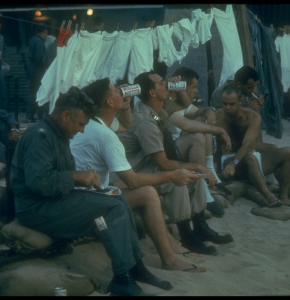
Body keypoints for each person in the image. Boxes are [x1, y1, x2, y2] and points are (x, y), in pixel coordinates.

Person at [9, 86, 171, 296]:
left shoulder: (57, 134)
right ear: (66, 115)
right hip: (36, 209)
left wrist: (85, 181)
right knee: (112, 208)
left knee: (119, 201)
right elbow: (38, 182)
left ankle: (136, 267)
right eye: (80, 124)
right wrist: (76, 176)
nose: (82, 130)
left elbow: (58, 175)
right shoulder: (39, 136)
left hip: (53, 200)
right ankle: (123, 278)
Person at [70, 77, 206, 273]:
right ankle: (169, 258)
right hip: (87, 200)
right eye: (117, 91)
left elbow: (125, 126)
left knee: (139, 189)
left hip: (88, 191)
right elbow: (135, 177)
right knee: (148, 193)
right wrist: (173, 176)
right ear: (109, 102)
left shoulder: (95, 123)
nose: (122, 91)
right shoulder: (107, 135)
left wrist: (124, 107)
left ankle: (172, 244)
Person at [118, 70, 234, 256]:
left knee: (193, 176)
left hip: (148, 166)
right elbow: (164, 164)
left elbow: (184, 104)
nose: (167, 85)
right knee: (178, 179)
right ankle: (186, 234)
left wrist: (178, 88)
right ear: (153, 93)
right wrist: (197, 166)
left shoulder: (157, 111)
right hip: (134, 172)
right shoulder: (145, 120)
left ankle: (199, 226)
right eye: (162, 84)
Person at [214, 82, 290, 207]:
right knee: (250, 157)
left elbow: (248, 143)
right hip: (228, 162)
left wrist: (235, 162)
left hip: (242, 160)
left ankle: (285, 195)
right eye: (225, 104)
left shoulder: (252, 117)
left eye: (231, 104)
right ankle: (269, 197)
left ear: (240, 101)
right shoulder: (217, 116)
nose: (227, 108)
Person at [164, 67, 233, 217]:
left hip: (178, 146)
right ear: (182, 88)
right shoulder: (167, 104)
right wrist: (221, 131)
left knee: (203, 122)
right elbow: (186, 125)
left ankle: (210, 171)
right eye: (193, 87)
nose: (196, 91)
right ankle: (203, 192)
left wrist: (206, 110)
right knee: (198, 136)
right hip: (167, 152)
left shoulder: (180, 102)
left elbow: (195, 111)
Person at [26, 23, 48, 122]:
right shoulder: (39, 42)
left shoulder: (32, 39)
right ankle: (32, 115)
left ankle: (30, 115)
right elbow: (40, 58)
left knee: (32, 92)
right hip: (38, 71)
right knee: (36, 93)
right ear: (45, 32)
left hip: (32, 69)